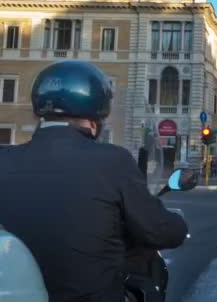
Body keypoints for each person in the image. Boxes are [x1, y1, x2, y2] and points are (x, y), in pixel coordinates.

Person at [0, 61, 188, 302]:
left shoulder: (4, 160)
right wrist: (179, 224)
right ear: (96, 116)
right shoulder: (112, 160)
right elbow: (161, 231)